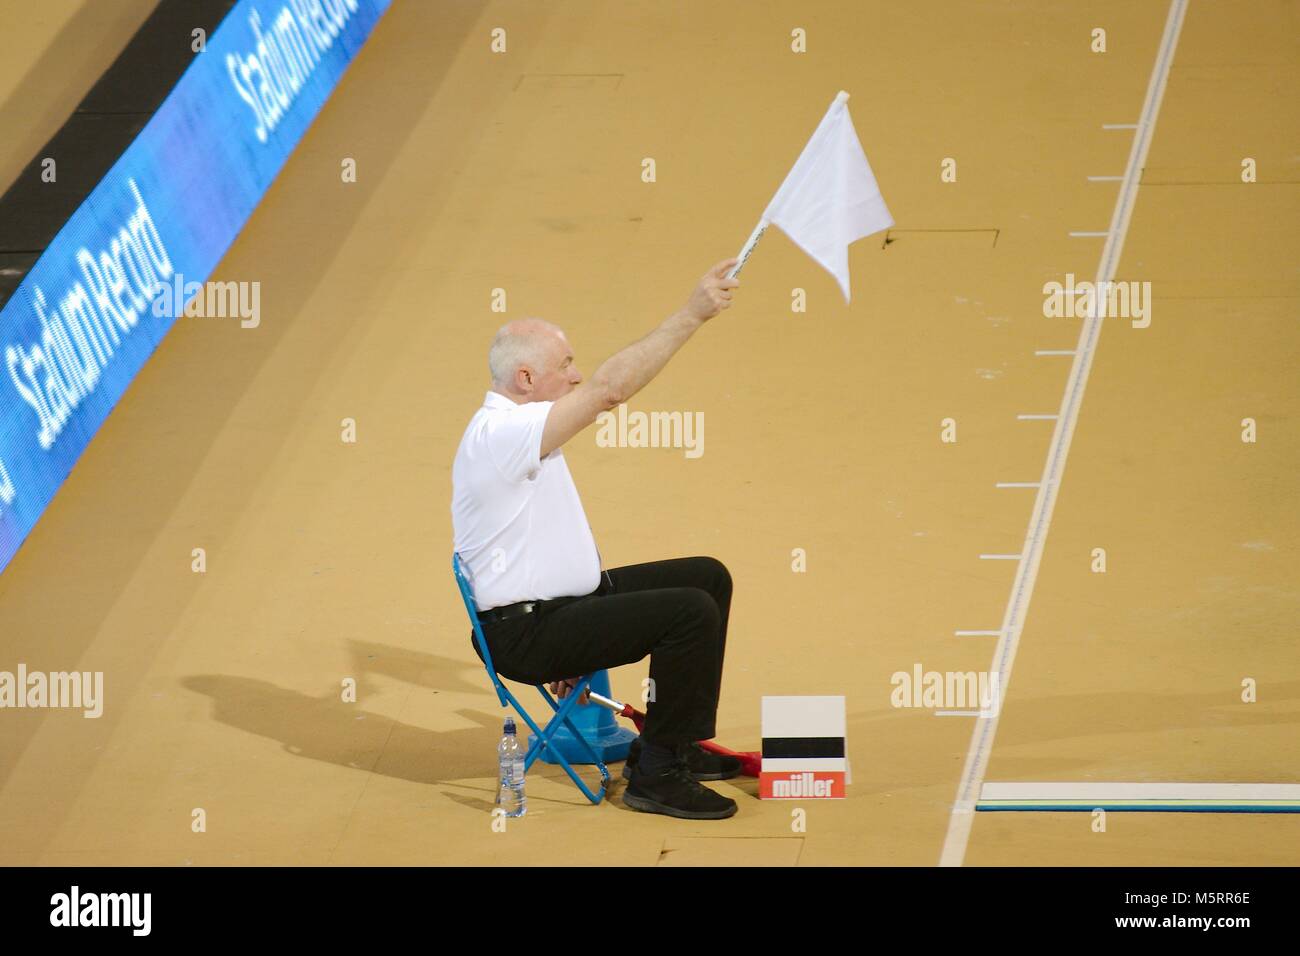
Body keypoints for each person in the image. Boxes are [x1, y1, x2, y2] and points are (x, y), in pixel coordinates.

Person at [451, 258, 743, 820]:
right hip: (529, 634)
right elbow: (610, 390)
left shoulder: (519, 422)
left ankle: (670, 740)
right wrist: (692, 314)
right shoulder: (505, 433)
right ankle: (657, 774)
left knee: (707, 576)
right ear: (527, 380)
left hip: (557, 609)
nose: (577, 375)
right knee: (689, 611)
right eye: (566, 365)